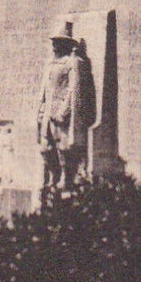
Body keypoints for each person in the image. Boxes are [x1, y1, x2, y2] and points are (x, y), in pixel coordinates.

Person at [36, 22, 92, 191]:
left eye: (57, 42)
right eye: (54, 42)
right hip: (47, 112)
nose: (54, 45)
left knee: (64, 148)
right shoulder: (51, 63)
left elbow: (74, 89)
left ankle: (66, 178)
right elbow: (45, 88)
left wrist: (64, 110)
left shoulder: (73, 62)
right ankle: (53, 177)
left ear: (65, 44)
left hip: (61, 112)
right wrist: (41, 108)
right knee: (46, 148)